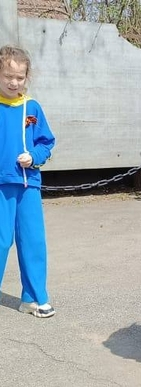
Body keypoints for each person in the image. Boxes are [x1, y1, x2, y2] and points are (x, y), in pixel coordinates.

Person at [0, 45, 56, 318]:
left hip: (28, 184)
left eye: (19, 77)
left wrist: (33, 156)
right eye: (8, 75)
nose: (14, 82)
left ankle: (33, 298)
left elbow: (47, 143)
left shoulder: (32, 107)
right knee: (0, 242)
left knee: (33, 241)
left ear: (26, 78)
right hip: (0, 186)